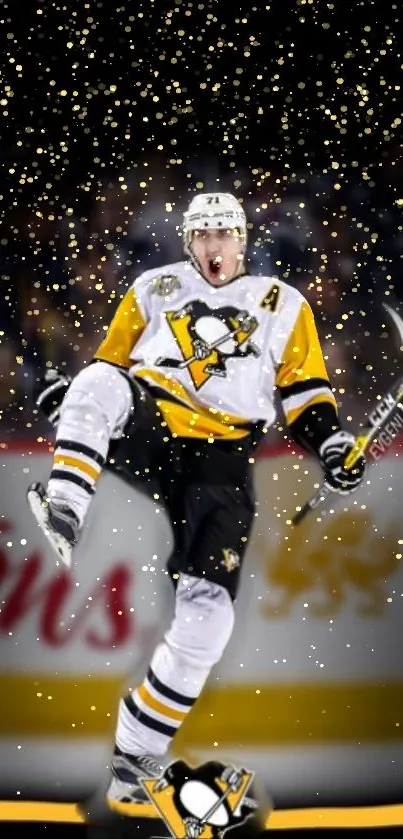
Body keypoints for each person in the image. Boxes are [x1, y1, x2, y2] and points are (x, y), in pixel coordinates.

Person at [26, 192, 365, 809]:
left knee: (210, 620)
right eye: (203, 235)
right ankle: (66, 504)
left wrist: (333, 444)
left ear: (243, 241)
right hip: (156, 425)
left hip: (223, 461)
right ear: (189, 240)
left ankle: (134, 758)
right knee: (97, 380)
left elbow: (306, 393)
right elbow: (110, 372)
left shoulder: (281, 304)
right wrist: (74, 402)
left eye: (224, 235)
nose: (214, 247)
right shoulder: (154, 287)